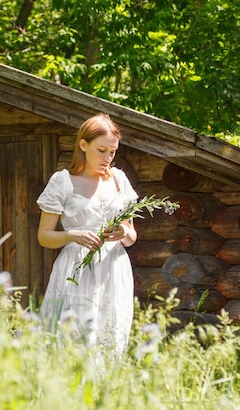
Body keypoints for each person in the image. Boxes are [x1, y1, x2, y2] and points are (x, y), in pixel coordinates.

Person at [36, 113, 138, 356]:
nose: (108, 158)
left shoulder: (119, 180)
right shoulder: (62, 182)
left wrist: (123, 231)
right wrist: (72, 235)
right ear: (83, 145)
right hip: (76, 270)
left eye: (112, 152)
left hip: (114, 271)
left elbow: (132, 236)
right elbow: (44, 236)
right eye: (102, 150)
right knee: (73, 339)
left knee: (110, 338)